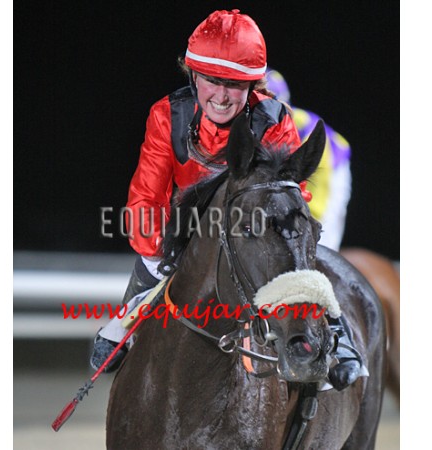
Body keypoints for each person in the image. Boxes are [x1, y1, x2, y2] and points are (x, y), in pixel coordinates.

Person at [90, 9, 362, 391]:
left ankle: (334, 334)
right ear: (193, 75)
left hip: (252, 231)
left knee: (294, 251)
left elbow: (290, 198)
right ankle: (126, 321)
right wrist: (168, 249)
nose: (220, 96)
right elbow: (145, 199)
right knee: (149, 259)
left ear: (252, 86)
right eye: (211, 80)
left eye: (234, 84)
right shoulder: (166, 115)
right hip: (184, 231)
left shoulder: (274, 119)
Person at [265, 68, 352, 251]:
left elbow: (320, 186)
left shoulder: (305, 127)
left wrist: (312, 220)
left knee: (320, 237)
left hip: (332, 168)